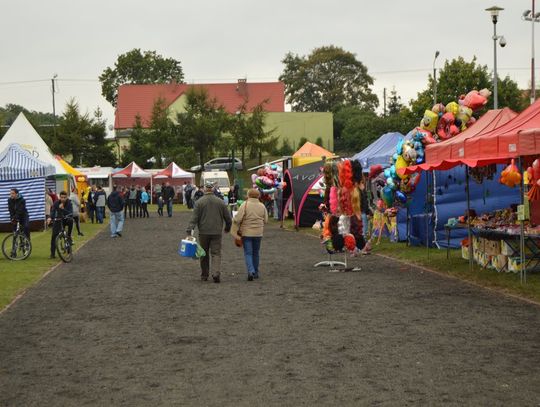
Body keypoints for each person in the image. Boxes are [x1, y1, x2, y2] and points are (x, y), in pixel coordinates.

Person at [186, 181, 232, 283]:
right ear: (213, 189)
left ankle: (204, 275)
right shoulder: (220, 202)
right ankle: (216, 273)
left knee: (203, 253)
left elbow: (194, 218)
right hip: (217, 232)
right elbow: (228, 217)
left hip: (203, 232)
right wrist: (228, 227)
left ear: (205, 189)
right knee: (216, 253)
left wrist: (189, 230)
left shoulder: (199, 202)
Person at [233, 188, 268, 281]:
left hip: (246, 232)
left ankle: (251, 271)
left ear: (248, 195)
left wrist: (234, 219)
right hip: (258, 233)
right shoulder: (262, 206)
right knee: (256, 253)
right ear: (258, 195)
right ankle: (256, 272)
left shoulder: (244, 205)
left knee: (248, 253)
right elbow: (266, 220)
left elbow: (238, 219)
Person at [47, 191, 73, 259]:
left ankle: (69, 238)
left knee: (70, 221)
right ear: (60, 197)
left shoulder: (69, 203)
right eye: (61, 197)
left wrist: (63, 209)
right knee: (54, 236)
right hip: (59, 219)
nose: (63, 199)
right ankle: (52, 254)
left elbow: (70, 213)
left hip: (67, 219)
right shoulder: (56, 203)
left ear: (66, 197)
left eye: (64, 197)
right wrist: (50, 218)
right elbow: (53, 211)